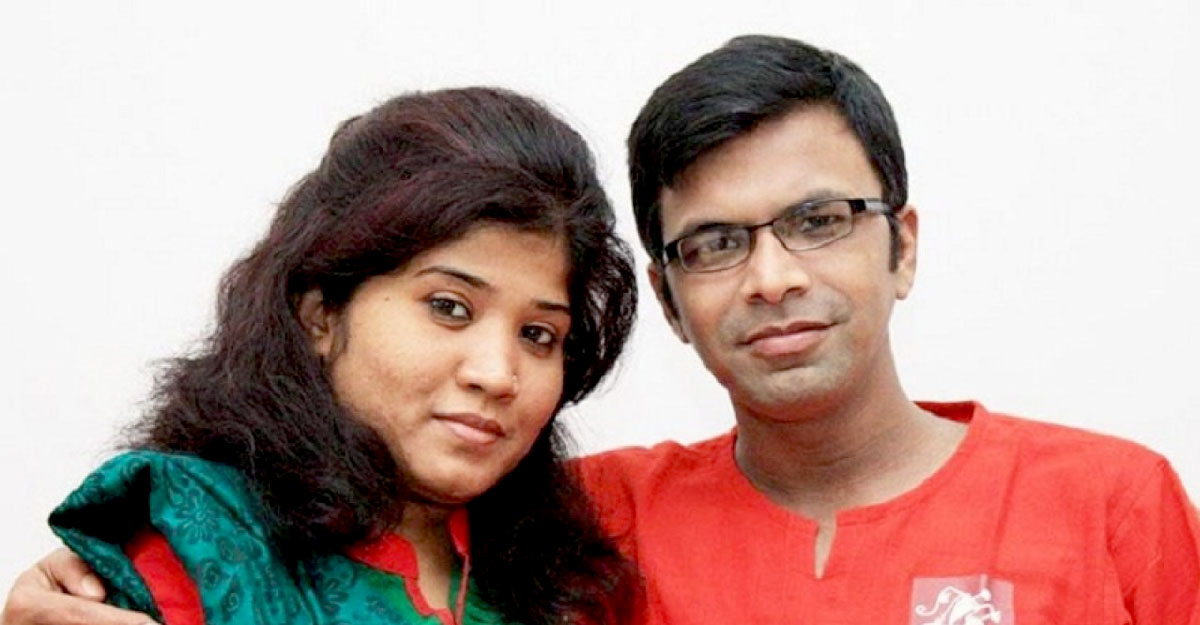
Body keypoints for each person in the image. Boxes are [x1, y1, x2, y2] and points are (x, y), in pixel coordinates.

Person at [7, 34, 1200, 625]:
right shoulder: (594, 522)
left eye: (819, 220)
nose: (772, 277)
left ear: (904, 244)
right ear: (669, 301)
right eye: (715, 243)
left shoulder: (1112, 503)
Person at [1, 87, 637, 625]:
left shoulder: (576, 583)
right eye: (448, 307)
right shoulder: (189, 543)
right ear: (320, 313)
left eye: (538, 335)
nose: (497, 374)